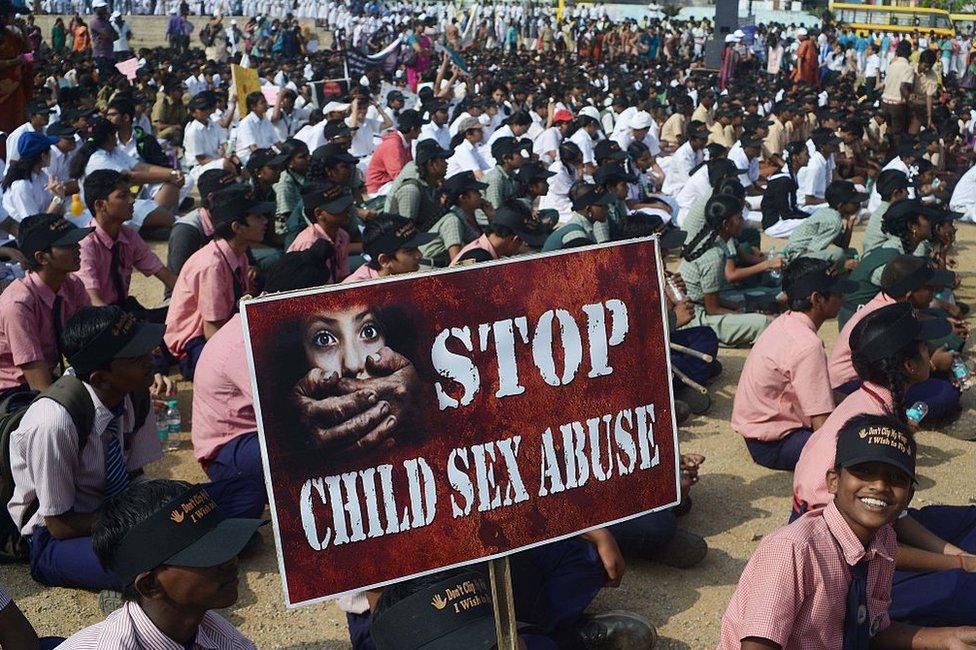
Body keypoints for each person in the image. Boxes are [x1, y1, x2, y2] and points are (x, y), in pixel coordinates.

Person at [720, 412, 976, 649]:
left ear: (908, 497)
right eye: (864, 472)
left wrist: (946, 637)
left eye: (896, 478)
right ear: (833, 481)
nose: (879, 486)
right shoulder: (793, 549)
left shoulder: (882, 540)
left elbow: (872, 629)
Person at [7, 306, 163, 591]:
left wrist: (163, 505)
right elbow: (59, 524)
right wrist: (137, 521)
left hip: (114, 511)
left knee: (232, 499)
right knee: (152, 565)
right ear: (101, 379)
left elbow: (134, 474)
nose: (150, 361)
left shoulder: (134, 392)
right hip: (57, 540)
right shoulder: (55, 422)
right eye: (136, 357)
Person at [192, 243, 338, 520]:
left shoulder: (275, 327)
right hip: (231, 449)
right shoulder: (244, 342)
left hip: (260, 432)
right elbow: (288, 412)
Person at [57, 480, 263, 648]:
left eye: (226, 544)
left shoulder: (220, 637)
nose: (231, 561)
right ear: (150, 585)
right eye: (207, 554)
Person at [731, 258, 854, 471]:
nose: (842, 298)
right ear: (817, 299)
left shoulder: (786, 321)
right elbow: (821, 425)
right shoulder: (807, 345)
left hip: (760, 434)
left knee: (856, 404)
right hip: (776, 445)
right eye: (836, 293)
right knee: (862, 447)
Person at [164, 185, 273, 380]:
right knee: (258, 370)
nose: (265, 221)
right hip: (194, 346)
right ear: (237, 227)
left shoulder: (238, 253)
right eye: (257, 217)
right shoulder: (212, 265)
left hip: (221, 329)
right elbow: (211, 332)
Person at [0, 214, 92, 396]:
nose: (78, 247)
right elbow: (39, 384)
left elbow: (91, 340)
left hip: (48, 377)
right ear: (42, 257)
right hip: (14, 390)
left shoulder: (72, 284)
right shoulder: (18, 304)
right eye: (68, 245)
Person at [677, 193, 775, 348]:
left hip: (695, 308)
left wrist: (736, 307)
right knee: (765, 323)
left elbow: (708, 297)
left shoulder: (712, 240)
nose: (742, 222)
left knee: (748, 305)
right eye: (739, 218)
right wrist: (743, 316)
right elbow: (713, 309)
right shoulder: (714, 255)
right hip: (693, 319)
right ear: (726, 224)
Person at [77, 170, 176, 318]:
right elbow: (94, 301)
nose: (132, 200)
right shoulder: (86, 245)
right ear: (100, 205)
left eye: (130, 194)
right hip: (96, 319)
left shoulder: (128, 236)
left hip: (122, 308)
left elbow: (164, 274)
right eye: (123, 196)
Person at [781, 179, 864, 268]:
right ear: (841, 205)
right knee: (839, 254)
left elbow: (843, 245)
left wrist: (850, 223)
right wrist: (842, 264)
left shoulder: (830, 212)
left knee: (851, 252)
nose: (858, 204)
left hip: (804, 251)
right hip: (797, 255)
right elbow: (813, 250)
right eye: (854, 202)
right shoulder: (834, 221)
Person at [288, 181, 353, 280]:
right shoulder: (308, 243)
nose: (346, 211)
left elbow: (342, 276)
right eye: (339, 208)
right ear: (319, 213)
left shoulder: (342, 236)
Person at [342, 214, 434, 283]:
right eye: (409, 251)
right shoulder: (359, 294)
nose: (419, 255)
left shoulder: (403, 273)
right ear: (384, 261)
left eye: (416, 248)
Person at [365, 108, 424, 195]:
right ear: (412, 128)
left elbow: (409, 167)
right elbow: (398, 176)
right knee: (413, 190)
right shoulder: (393, 145)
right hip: (380, 188)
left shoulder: (407, 140)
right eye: (419, 128)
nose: (421, 131)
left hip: (391, 183)